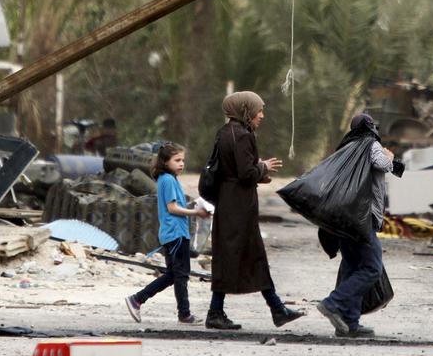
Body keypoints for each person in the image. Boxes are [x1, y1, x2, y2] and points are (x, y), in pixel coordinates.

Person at [206, 91, 305, 330]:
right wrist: (262, 167)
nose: (261, 115)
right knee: (250, 256)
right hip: (238, 207)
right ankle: (271, 309)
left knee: (238, 257)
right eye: (258, 110)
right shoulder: (241, 136)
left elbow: (230, 171)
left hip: (229, 202)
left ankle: (274, 308)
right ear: (245, 111)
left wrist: (258, 174)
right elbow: (245, 173)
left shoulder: (224, 132)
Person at [314, 113, 394, 338]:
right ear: (371, 128)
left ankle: (350, 323)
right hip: (362, 219)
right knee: (371, 268)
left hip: (344, 219)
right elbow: (382, 163)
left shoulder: (346, 147)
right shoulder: (370, 144)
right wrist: (388, 155)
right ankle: (333, 303)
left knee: (352, 267)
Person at [125, 143, 209, 323]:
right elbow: (172, 209)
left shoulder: (167, 178)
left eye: (183, 160)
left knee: (174, 274)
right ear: (165, 161)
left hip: (172, 233)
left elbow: (174, 206)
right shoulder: (169, 180)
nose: (181, 164)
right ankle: (182, 313)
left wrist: (191, 205)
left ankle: (139, 300)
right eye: (177, 160)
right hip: (176, 233)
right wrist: (196, 213)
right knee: (180, 275)